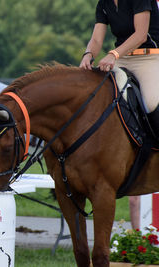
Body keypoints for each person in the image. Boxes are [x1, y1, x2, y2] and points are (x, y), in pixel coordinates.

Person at [80, 0, 159, 230]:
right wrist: (88, 55)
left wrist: (113, 53)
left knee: (153, 105)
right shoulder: (103, 3)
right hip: (121, 61)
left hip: (149, 59)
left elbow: (141, 33)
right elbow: (96, 39)